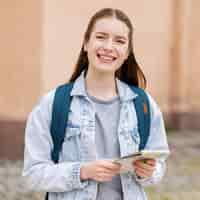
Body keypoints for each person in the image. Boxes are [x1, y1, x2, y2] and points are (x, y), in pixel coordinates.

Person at [23, 8, 169, 200]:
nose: (109, 47)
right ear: (86, 43)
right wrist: (82, 171)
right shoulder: (53, 103)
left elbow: (159, 166)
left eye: (119, 41)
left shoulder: (143, 104)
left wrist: (148, 171)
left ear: (127, 52)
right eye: (101, 37)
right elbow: (33, 174)